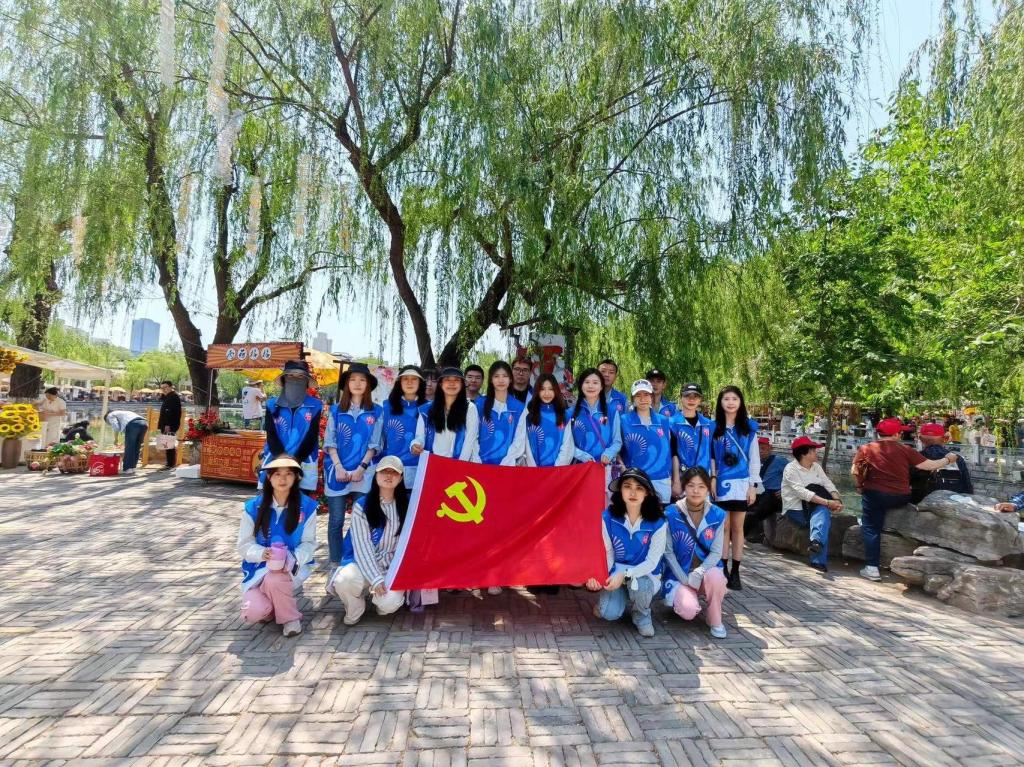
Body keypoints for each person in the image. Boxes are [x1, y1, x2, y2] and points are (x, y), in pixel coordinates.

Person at [852, 417, 961, 581]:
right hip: (901, 496)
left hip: (875, 494)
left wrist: (859, 487)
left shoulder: (866, 448)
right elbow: (930, 465)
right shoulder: (905, 450)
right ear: (897, 434)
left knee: (871, 529)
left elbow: (854, 470)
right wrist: (948, 459)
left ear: (878, 434)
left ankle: (872, 568)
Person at [237, 455, 317, 637]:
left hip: (290, 567)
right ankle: (272, 607)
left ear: (296, 477)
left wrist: (292, 557)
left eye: (288, 474)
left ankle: (290, 619)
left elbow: (309, 542)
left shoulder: (307, 506)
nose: (283, 479)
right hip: (259, 568)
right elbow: (244, 543)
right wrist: (261, 553)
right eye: (277, 474)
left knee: (276, 579)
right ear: (269, 477)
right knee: (253, 613)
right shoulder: (253, 507)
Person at [326, 455, 408, 625]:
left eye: (394, 472)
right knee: (344, 581)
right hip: (361, 562)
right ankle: (355, 607)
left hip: (391, 565)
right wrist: (376, 578)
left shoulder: (407, 506)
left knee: (388, 604)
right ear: (376, 475)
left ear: (401, 478)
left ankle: (380, 601)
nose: (389, 475)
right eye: (384, 471)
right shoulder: (362, 505)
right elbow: (362, 546)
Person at [587, 468, 667, 638]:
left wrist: (625, 575)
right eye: (627, 486)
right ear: (620, 490)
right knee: (609, 613)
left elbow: (652, 562)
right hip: (616, 571)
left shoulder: (658, 522)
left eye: (639, 488)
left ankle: (642, 615)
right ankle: (614, 600)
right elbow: (608, 551)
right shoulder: (608, 517)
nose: (632, 492)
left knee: (641, 586)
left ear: (647, 493)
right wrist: (601, 576)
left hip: (645, 574)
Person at [324, 362, 383, 569]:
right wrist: (339, 467)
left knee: (360, 519)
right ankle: (335, 563)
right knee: (336, 520)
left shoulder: (377, 411)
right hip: (336, 471)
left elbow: (375, 444)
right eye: (353, 379)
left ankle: (353, 559)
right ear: (346, 384)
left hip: (364, 473)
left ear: (368, 384)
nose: (357, 383)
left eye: (362, 380)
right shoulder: (335, 411)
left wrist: (361, 468)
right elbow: (329, 441)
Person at [662, 467, 728, 639]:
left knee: (716, 577)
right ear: (684, 487)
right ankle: (687, 598)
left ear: (708, 489)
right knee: (688, 610)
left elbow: (716, 552)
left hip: (705, 573)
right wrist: (685, 579)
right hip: (680, 574)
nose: (696, 491)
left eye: (701, 486)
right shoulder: (670, 513)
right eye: (691, 485)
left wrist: (699, 571)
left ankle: (715, 619)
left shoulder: (718, 514)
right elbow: (668, 552)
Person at [710, 385, 761, 591]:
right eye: (726, 399)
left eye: (734, 399)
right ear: (720, 403)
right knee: (723, 528)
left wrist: (753, 486)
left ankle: (736, 570)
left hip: (741, 484)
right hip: (721, 484)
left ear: (740, 402)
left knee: (738, 528)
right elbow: (711, 457)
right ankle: (722, 567)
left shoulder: (749, 429)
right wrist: (712, 478)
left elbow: (754, 459)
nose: (730, 403)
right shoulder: (713, 428)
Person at [780, 436, 843, 572]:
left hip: (814, 507)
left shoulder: (816, 467)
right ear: (804, 454)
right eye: (813, 451)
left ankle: (816, 543)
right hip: (796, 509)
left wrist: (837, 500)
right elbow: (802, 493)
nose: (816, 453)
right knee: (824, 514)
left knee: (823, 512)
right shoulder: (790, 469)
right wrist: (828, 502)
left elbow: (828, 484)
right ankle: (817, 558)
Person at [262, 360, 323, 492]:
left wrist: (296, 460)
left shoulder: (315, 405)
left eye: (300, 376)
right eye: (290, 376)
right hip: (275, 462)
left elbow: (312, 436)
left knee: (300, 504)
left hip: (303, 463)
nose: (295, 379)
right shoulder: (271, 405)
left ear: (306, 381)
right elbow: (271, 434)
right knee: (271, 503)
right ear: (284, 379)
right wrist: (282, 458)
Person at [619, 380, 674, 504]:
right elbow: (617, 447)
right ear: (633, 398)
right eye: (638, 395)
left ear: (652, 397)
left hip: (661, 479)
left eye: (646, 394)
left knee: (660, 514)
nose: (642, 399)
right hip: (635, 479)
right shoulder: (623, 420)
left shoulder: (664, 421)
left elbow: (672, 450)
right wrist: (622, 467)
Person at [411, 366, 479, 462]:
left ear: (462, 385)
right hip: (432, 462)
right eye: (447, 380)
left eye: (456, 380)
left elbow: (470, 440)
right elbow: (420, 436)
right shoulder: (426, 409)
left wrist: (459, 465)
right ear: (440, 384)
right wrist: (415, 444)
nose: (452, 383)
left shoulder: (470, 408)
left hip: (459, 462)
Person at [571, 368, 622, 488]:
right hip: (580, 468)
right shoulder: (571, 413)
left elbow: (617, 441)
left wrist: (609, 453)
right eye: (587, 382)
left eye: (595, 382)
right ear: (581, 386)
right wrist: (582, 456)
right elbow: (567, 444)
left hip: (606, 468)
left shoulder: (611, 411)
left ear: (601, 386)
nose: (591, 386)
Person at [380, 365, 427, 489]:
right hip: (391, 470)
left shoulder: (429, 409)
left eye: (414, 379)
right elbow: (380, 440)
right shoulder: (386, 407)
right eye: (405, 378)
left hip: (422, 471)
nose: (409, 382)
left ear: (420, 382)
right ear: (399, 382)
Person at [476, 361, 527, 467]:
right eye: (496, 376)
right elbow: (473, 436)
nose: (501, 380)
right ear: (491, 380)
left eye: (505, 376)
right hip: (479, 464)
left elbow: (519, 441)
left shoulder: (519, 408)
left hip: (507, 466)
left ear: (510, 379)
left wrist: (506, 463)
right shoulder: (479, 404)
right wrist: (477, 460)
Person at [669, 383, 714, 499]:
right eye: (687, 396)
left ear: (700, 399)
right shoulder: (672, 423)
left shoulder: (708, 424)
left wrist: (713, 478)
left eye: (696, 396)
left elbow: (712, 453)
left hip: (703, 480)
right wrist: (676, 481)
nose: (691, 399)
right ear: (681, 398)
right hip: (682, 479)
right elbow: (673, 454)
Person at [910, 422, 973, 502]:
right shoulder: (957, 458)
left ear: (921, 439)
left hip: (920, 503)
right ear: (944, 439)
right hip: (952, 503)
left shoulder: (914, 458)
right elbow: (967, 487)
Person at [745, 436, 789, 542]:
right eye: (758, 449)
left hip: (775, 495)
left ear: (770, 449)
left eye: (763, 448)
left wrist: (786, 490)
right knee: (744, 507)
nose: (760, 451)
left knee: (757, 511)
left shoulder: (779, 461)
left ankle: (740, 534)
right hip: (761, 492)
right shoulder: (754, 462)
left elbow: (794, 475)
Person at [525, 374, 575, 467]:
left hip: (558, 472)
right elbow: (527, 447)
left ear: (556, 390)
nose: (547, 393)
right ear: (537, 391)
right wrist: (534, 469)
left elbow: (567, 446)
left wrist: (555, 471)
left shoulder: (564, 415)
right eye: (542, 389)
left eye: (551, 389)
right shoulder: (529, 416)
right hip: (533, 470)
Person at [105, 409, 148, 474]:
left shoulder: (110, 415)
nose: (109, 424)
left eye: (108, 422)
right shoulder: (123, 412)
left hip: (133, 424)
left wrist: (116, 439)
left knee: (129, 447)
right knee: (136, 447)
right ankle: (133, 468)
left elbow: (115, 427)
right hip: (144, 423)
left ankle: (128, 469)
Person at [157, 381, 182, 471]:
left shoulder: (173, 397)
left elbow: (169, 412)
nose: (164, 389)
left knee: (169, 444)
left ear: (171, 387)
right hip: (167, 424)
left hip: (169, 424)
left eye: (166, 387)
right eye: (162, 388)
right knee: (167, 444)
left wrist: (167, 425)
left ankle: (170, 464)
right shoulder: (169, 396)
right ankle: (170, 463)